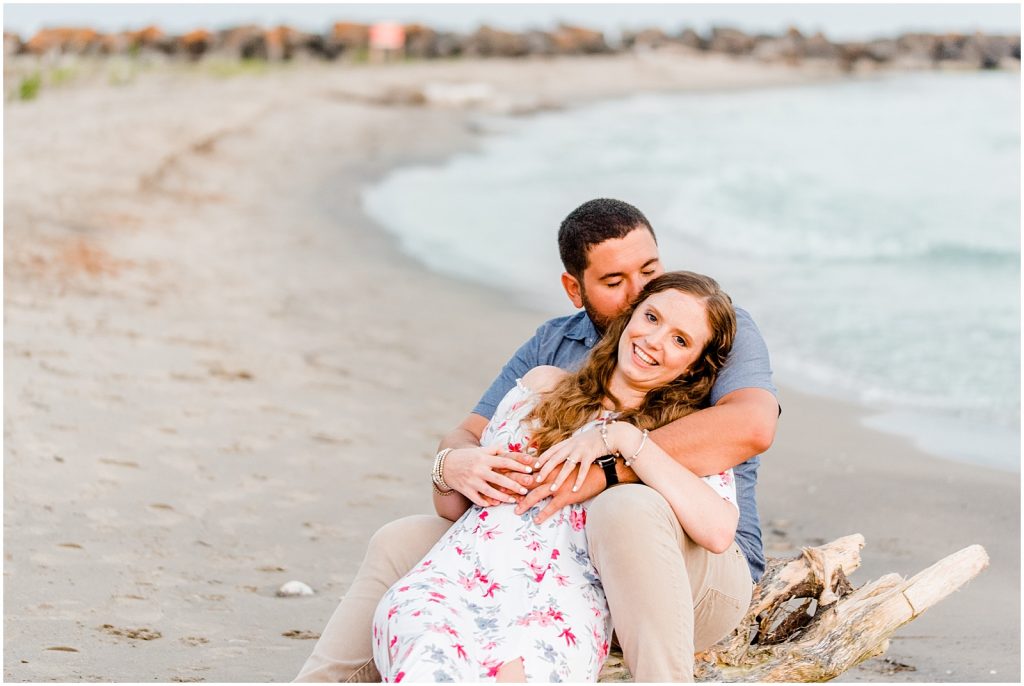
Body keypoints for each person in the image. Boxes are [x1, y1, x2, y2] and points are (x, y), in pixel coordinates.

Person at [295, 199, 779, 682]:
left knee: (623, 509)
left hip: (685, 568)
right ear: (575, 289)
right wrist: (451, 465)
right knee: (401, 539)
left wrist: (611, 457)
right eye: (616, 283)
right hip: (556, 555)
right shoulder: (551, 359)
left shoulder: (711, 321)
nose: (638, 295)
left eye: (649, 270)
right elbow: (468, 439)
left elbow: (752, 428)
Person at [373, 272, 740, 682]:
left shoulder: (683, 436)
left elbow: (718, 530)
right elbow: (460, 509)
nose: (655, 340)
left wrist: (621, 437)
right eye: (652, 318)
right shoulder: (541, 386)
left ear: (695, 366)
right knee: (426, 659)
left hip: (555, 611)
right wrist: (446, 469)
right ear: (630, 316)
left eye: (680, 340)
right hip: (453, 583)